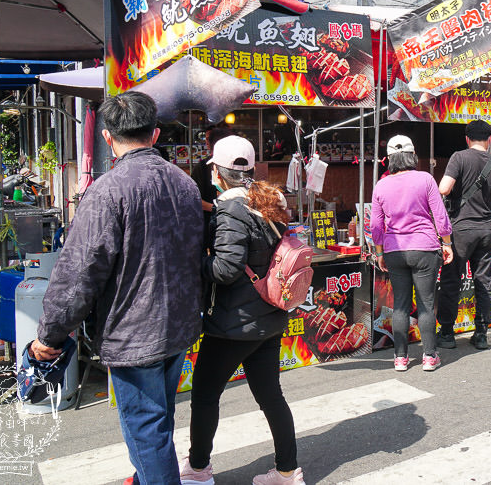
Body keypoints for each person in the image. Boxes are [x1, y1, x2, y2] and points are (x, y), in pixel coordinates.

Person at [30, 92, 203, 485]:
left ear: (108, 138)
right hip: (177, 324)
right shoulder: (185, 184)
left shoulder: (108, 190)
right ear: (154, 133)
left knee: (147, 427)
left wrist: (50, 334)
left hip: (133, 332)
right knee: (158, 419)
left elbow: (78, 273)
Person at [182, 135, 305, 485]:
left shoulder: (232, 208)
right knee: (271, 397)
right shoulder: (268, 200)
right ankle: (287, 472)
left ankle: (198, 469)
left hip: (233, 324)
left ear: (217, 173)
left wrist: (193, 263)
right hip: (269, 315)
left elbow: (226, 268)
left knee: (205, 396)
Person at [371, 135, 454, 372]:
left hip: (395, 251)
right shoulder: (425, 179)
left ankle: (400, 358)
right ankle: (429, 357)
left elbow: (375, 225)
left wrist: (379, 252)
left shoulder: (381, 185)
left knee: (400, 305)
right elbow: (440, 215)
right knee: (426, 303)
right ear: (413, 155)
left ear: (389, 159)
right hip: (425, 248)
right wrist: (447, 243)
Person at [438, 120, 491, 350]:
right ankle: (481, 333)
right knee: (484, 281)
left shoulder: (459, 158)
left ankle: (447, 333)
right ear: (489, 139)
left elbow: (444, 189)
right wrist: (490, 225)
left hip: (461, 229)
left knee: (451, 280)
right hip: (486, 228)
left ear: (467, 139)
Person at [192, 125, 232, 246]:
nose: (206, 142)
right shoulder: (202, 167)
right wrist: (217, 208)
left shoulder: (236, 166)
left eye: (208, 139)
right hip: (209, 226)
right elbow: (195, 200)